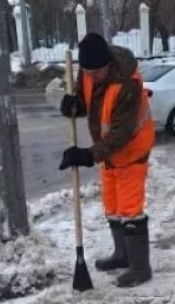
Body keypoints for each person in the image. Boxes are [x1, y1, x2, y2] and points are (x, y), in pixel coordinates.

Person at [59, 32, 155, 287]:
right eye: (87, 72)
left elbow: (121, 133)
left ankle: (140, 267)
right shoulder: (88, 72)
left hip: (131, 150)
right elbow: (87, 101)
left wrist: (88, 155)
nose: (91, 77)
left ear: (108, 64)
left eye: (96, 73)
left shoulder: (128, 84)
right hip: (108, 154)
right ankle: (122, 254)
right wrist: (74, 105)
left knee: (129, 209)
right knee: (112, 206)